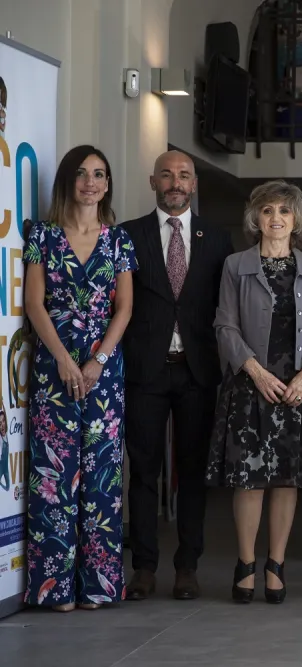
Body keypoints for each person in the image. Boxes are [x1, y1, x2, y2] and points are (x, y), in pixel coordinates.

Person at [22, 145, 136, 611]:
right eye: (83, 174)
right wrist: (65, 362)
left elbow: (124, 308)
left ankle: (101, 587)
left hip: (104, 376)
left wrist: (97, 361)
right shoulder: (42, 236)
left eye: (100, 175)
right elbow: (34, 304)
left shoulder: (119, 241)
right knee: (54, 478)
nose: (92, 182)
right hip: (53, 372)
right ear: (68, 181)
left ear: (107, 184)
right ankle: (55, 590)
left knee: (101, 481)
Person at [209, 180, 302, 604]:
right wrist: (255, 371)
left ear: (296, 219)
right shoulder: (235, 265)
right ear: (255, 218)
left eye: (284, 210)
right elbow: (224, 325)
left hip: (298, 387)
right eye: (267, 211)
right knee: (250, 480)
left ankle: (276, 564)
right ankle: (245, 563)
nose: (276, 218)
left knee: (287, 480)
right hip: (250, 383)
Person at [120, 150, 234, 601]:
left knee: (192, 473)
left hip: (198, 372)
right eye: (166, 174)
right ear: (153, 182)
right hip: (144, 371)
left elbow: (225, 307)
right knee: (143, 473)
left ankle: (187, 566)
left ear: (194, 184)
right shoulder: (128, 235)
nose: (175, 182)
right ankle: (144, 568)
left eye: (184, 175)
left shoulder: (218, 238)